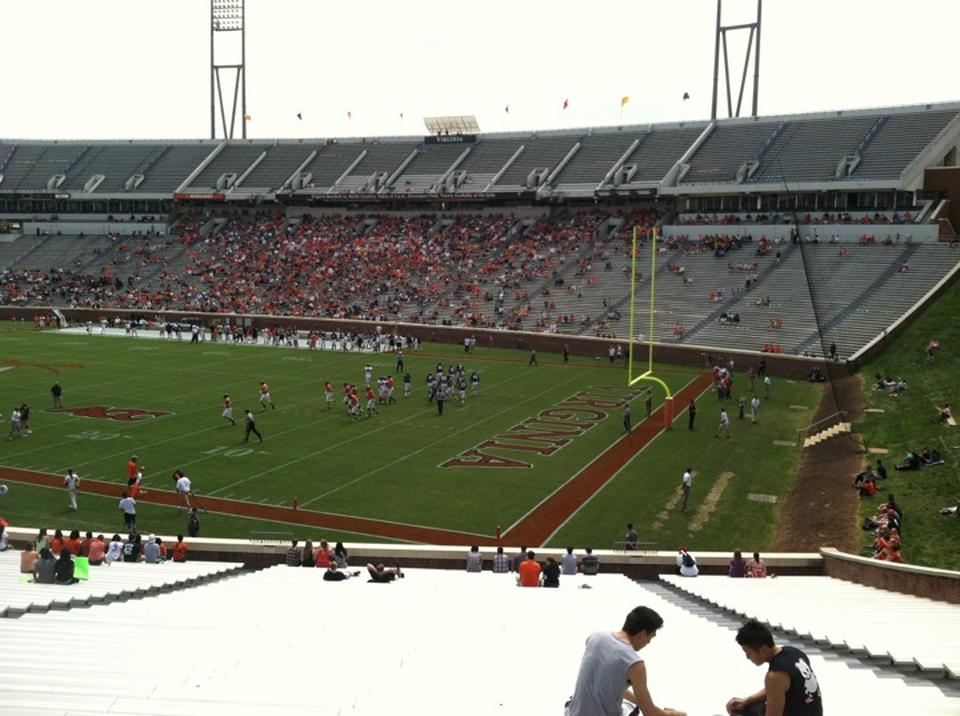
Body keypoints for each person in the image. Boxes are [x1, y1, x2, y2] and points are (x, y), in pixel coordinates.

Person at [565, 605, 686, 716]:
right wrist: (674, 714)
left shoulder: (595, 637)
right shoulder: (635, 663)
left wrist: (643, 702)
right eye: (650, 637)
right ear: (643, 634)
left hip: (573, 713)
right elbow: (650, 713)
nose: (648, 643)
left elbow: (608, 685)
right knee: (632, 708)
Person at [726, 620, 822, 716]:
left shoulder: (775, 675)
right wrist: (747, 700)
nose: (747, 657)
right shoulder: (795, 652)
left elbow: (775, 688)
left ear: (763, 650)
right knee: (747, 708)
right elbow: (778, 689)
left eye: (747, 652)